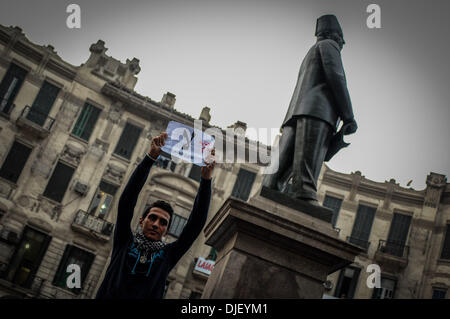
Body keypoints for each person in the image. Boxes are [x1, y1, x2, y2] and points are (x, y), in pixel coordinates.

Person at [95, 132, 215, 299]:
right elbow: (126, 202)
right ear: (142, 220)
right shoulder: (124, 242)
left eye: (163, 222)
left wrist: (206, 179)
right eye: (152, 218)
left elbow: (195, 225)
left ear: (166, 230)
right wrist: (150, 158)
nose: (156, 224)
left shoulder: (169, 255)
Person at [263, 14, 357, 204]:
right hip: (317, 112)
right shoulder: (329, 46)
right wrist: (349, 116)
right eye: (342, 38)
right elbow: (336, 77)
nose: (343, 43)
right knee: (307, 169)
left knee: (277, 172)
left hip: (296, 114)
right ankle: (305, 195)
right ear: (335, 35)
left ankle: (269, 191)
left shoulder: (312, 51)